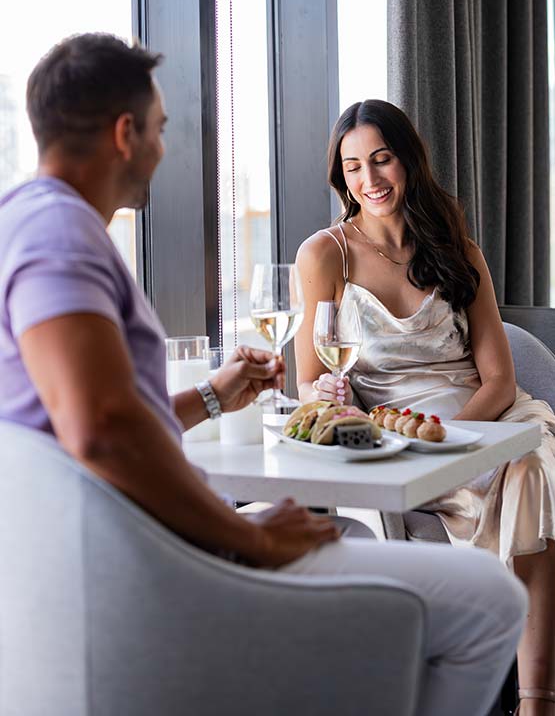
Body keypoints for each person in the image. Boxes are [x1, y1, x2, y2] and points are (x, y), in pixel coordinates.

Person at [0, 37, 527, 716]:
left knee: (354, 538)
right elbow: (98, 429)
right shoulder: (62, 237)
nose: (164, 148)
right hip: (136, 570)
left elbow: (81, 411)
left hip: (97, 554)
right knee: (489, 601)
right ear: (125, 133)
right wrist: (247, 537)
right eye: (160, 130)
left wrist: (213, 398)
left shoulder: (24, 218)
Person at [295, 98, 555, 716]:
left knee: (531, 467)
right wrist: (331, 399)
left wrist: (450, 439)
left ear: (408, 161)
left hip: (490, 423)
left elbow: (499, 378)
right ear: (341, 176)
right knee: (530, 477)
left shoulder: (457, 250)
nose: (370, 180)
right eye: (353, 166)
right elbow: (310, 378)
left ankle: (535, 698)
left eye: (382, 160)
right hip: (396, 440)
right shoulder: (324, 255)